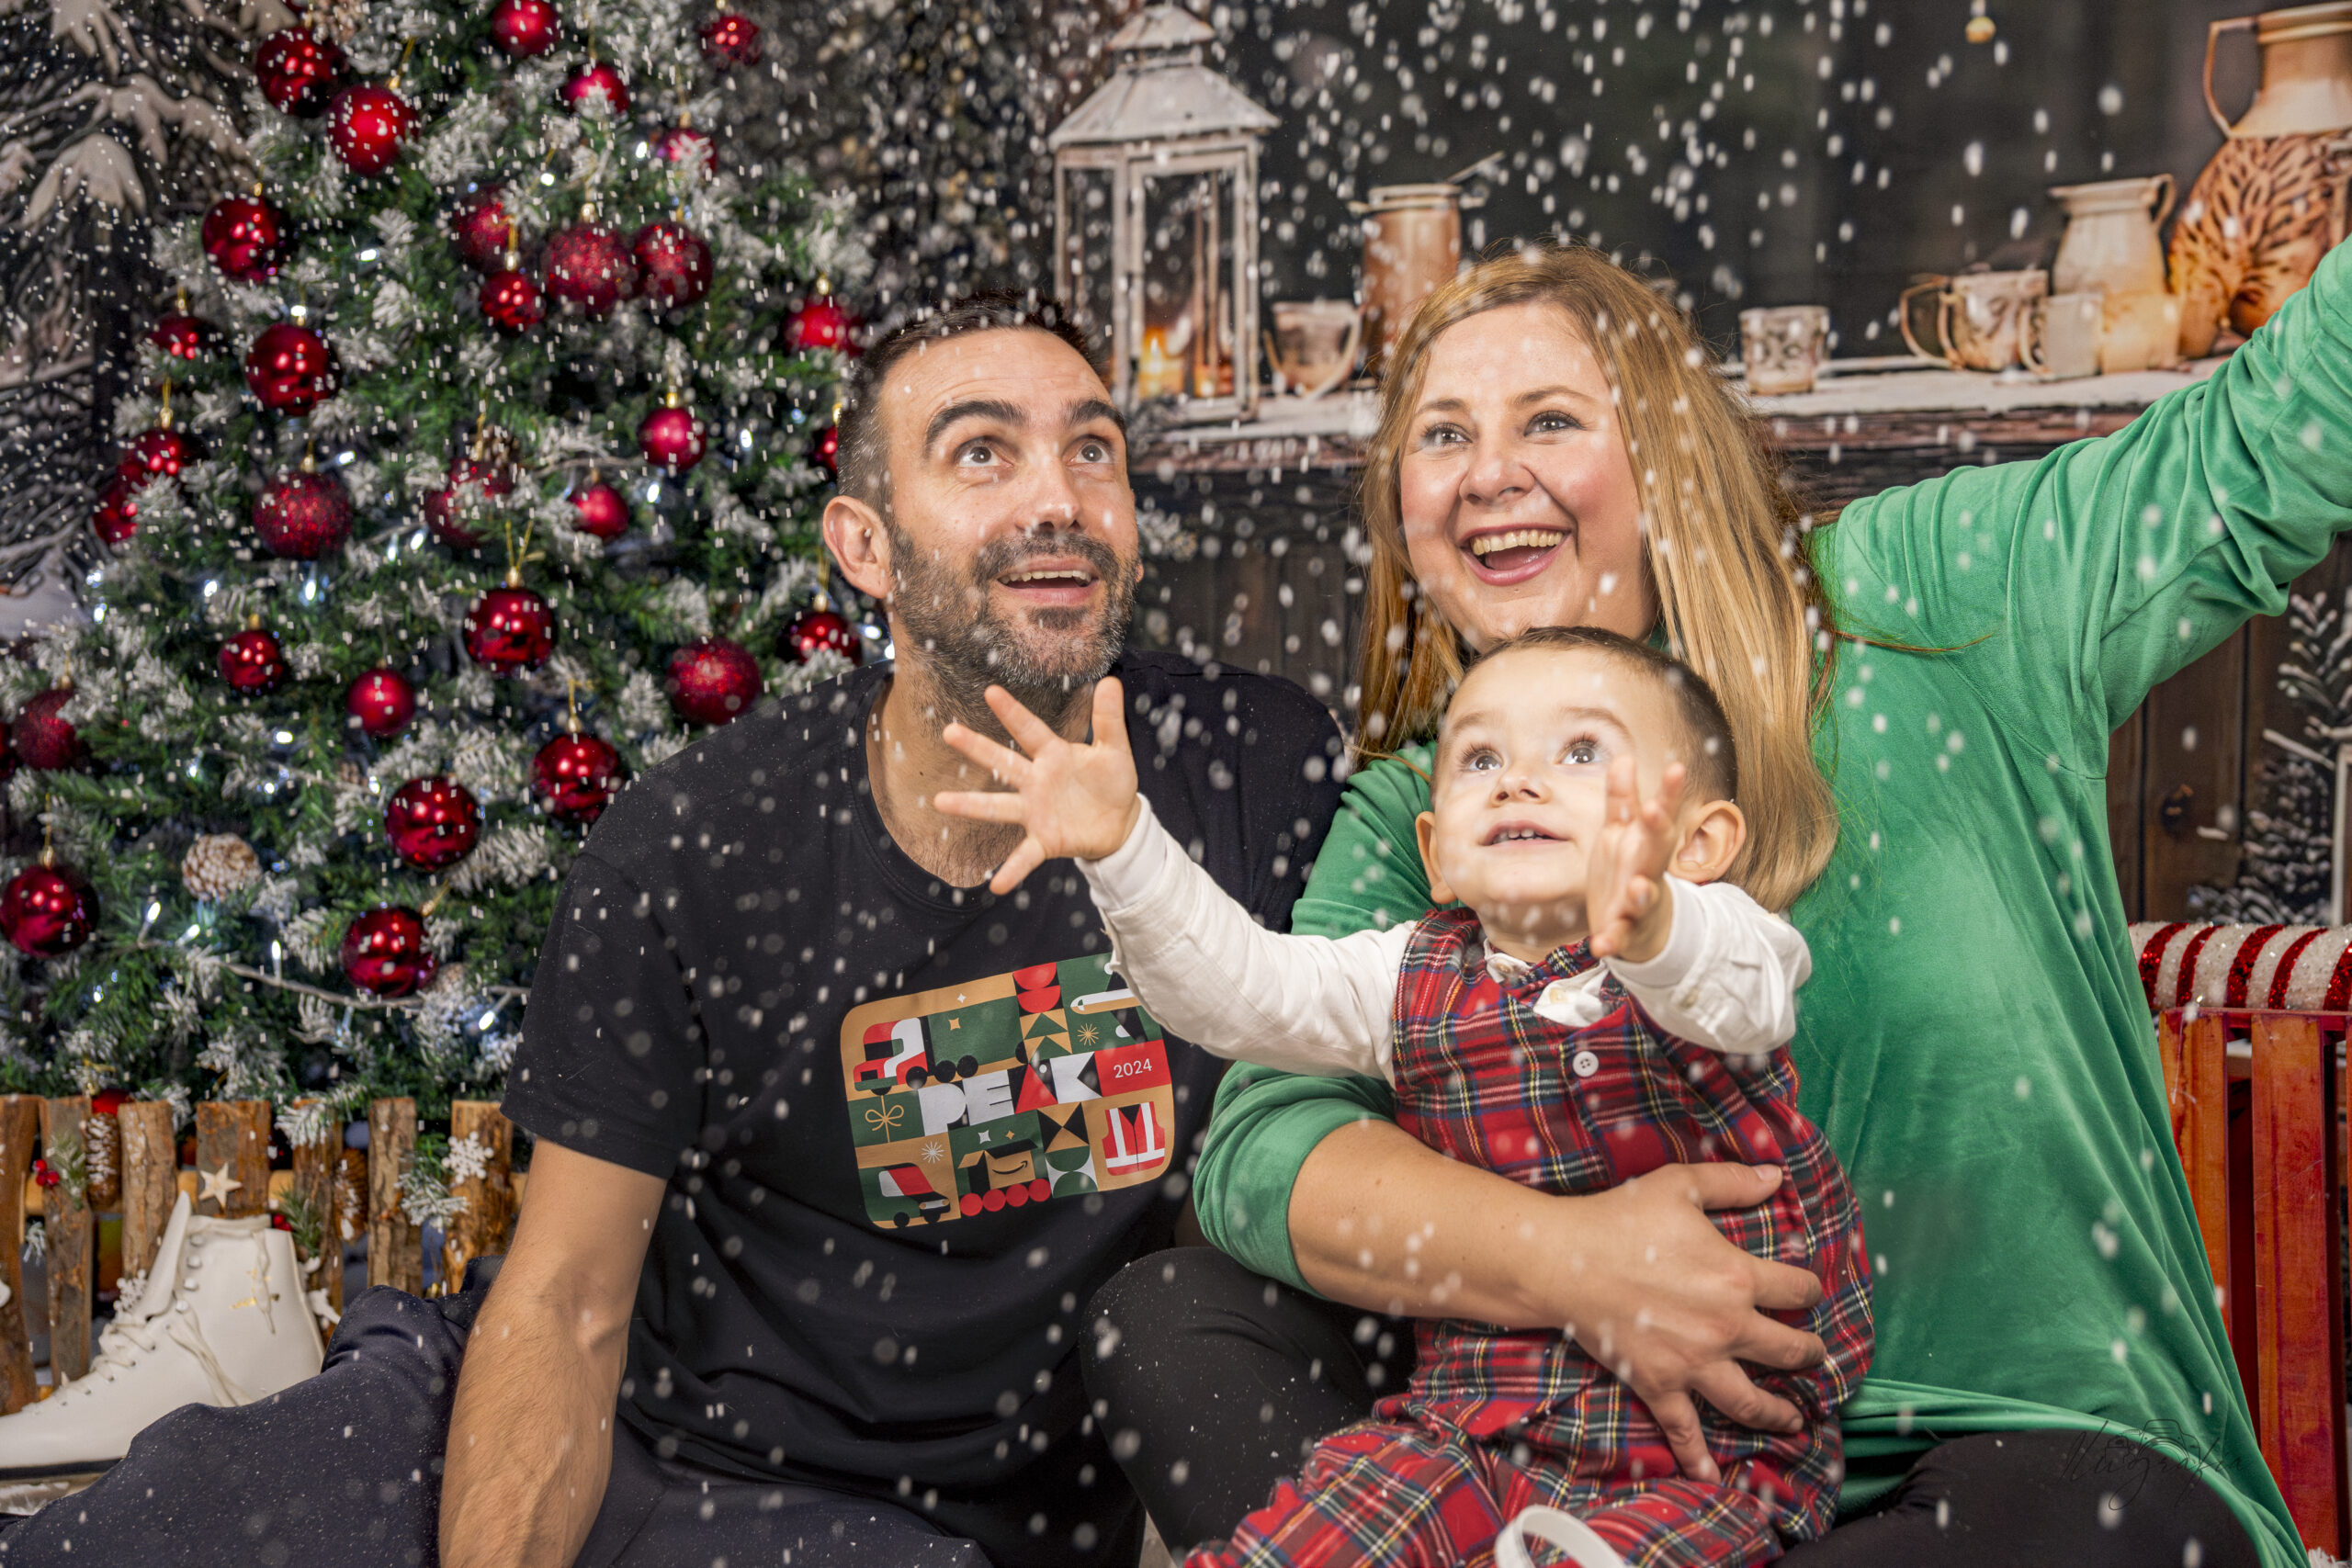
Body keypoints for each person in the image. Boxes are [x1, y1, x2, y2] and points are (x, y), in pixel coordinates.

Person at [0, 299, 1346, 1567]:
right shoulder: (699, 839)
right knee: (136, 1537)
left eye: (1093, 449)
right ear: (865, 546)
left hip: (898, 1532)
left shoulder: (1250, 774)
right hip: (587, 1428)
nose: (1058, 497)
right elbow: (567, 1298)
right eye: (981, 451)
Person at [1087, 238, 2342, 1568]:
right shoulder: (1442, 813)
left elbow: (2258, 447)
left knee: (2097, 1515)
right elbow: (1265, 1151)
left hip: (2012, 1458)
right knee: (1175, 1317)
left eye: (1550, 420)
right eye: (1442, 434)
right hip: (1615, 1470)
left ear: (1667, 454)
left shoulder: (1928, 597)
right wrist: (1582, 1262)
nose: (1489, 473)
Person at [936, 626, 1868, 1568]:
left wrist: (1656, 922)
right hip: (1466, 1436)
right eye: (1481, 758)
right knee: (1297, 1548)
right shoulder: (1409, 975)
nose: (1519, 780)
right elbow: (1242, 993)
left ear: (1700, 842)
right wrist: (1124, 849)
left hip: (1703, 1462)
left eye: (1582, 751)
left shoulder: (1715, 939)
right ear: (1437, 854)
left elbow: (1745, 994)